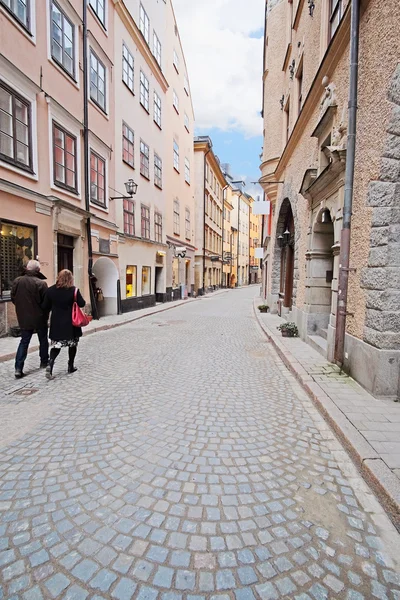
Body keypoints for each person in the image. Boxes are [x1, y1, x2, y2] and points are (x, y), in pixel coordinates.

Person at [42, 269, 86, 379]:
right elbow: (82, 303)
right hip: (71, 323)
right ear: (71, 279)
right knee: (73, 344)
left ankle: (50, 364)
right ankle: (70, 366)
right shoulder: (73, 290)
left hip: (56, 322)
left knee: (56, 345)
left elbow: (45, 306)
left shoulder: (51, 290)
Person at [11, 260, 49, 379]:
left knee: (24, 341)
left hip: (24, 316)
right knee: (43, 339)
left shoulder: (17, 281)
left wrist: (22, 309)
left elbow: (13, 298)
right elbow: (46, 303)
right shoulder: (41, 283)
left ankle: (18, 368)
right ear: (37, 270)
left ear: (27, 268)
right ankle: (44, 361)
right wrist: (44, 313)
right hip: (39, 316)